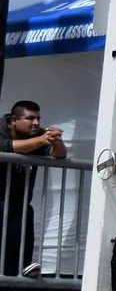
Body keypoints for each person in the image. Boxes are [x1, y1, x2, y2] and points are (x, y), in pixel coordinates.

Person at [4, 100, 67, 280]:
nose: (36, 123)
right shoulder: (1, 129)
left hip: (19, 205)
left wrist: (56, 141)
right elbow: (6, 147)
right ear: (13, 121)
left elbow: (60, 155)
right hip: (1, 203)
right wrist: (41, 140)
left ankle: (21, 269)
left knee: (14, 261)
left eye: (38, 118)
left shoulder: (38, 134)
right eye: (30, 118)